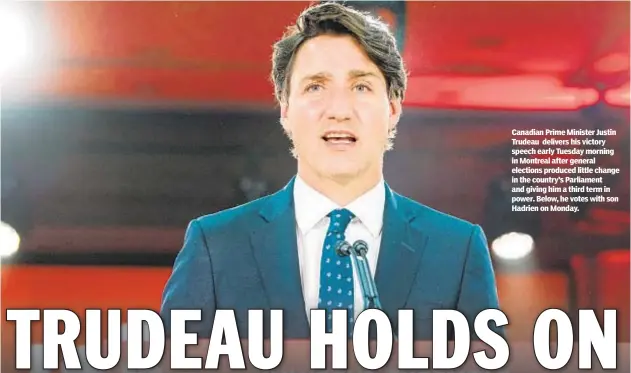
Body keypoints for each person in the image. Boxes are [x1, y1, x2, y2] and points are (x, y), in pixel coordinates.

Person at [160, 2, 502, 340]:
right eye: (315, 86)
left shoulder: (457, 249)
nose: (339, 110)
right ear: (286, 109)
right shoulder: (215, 244)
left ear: (393, 108)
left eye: (361, 87)